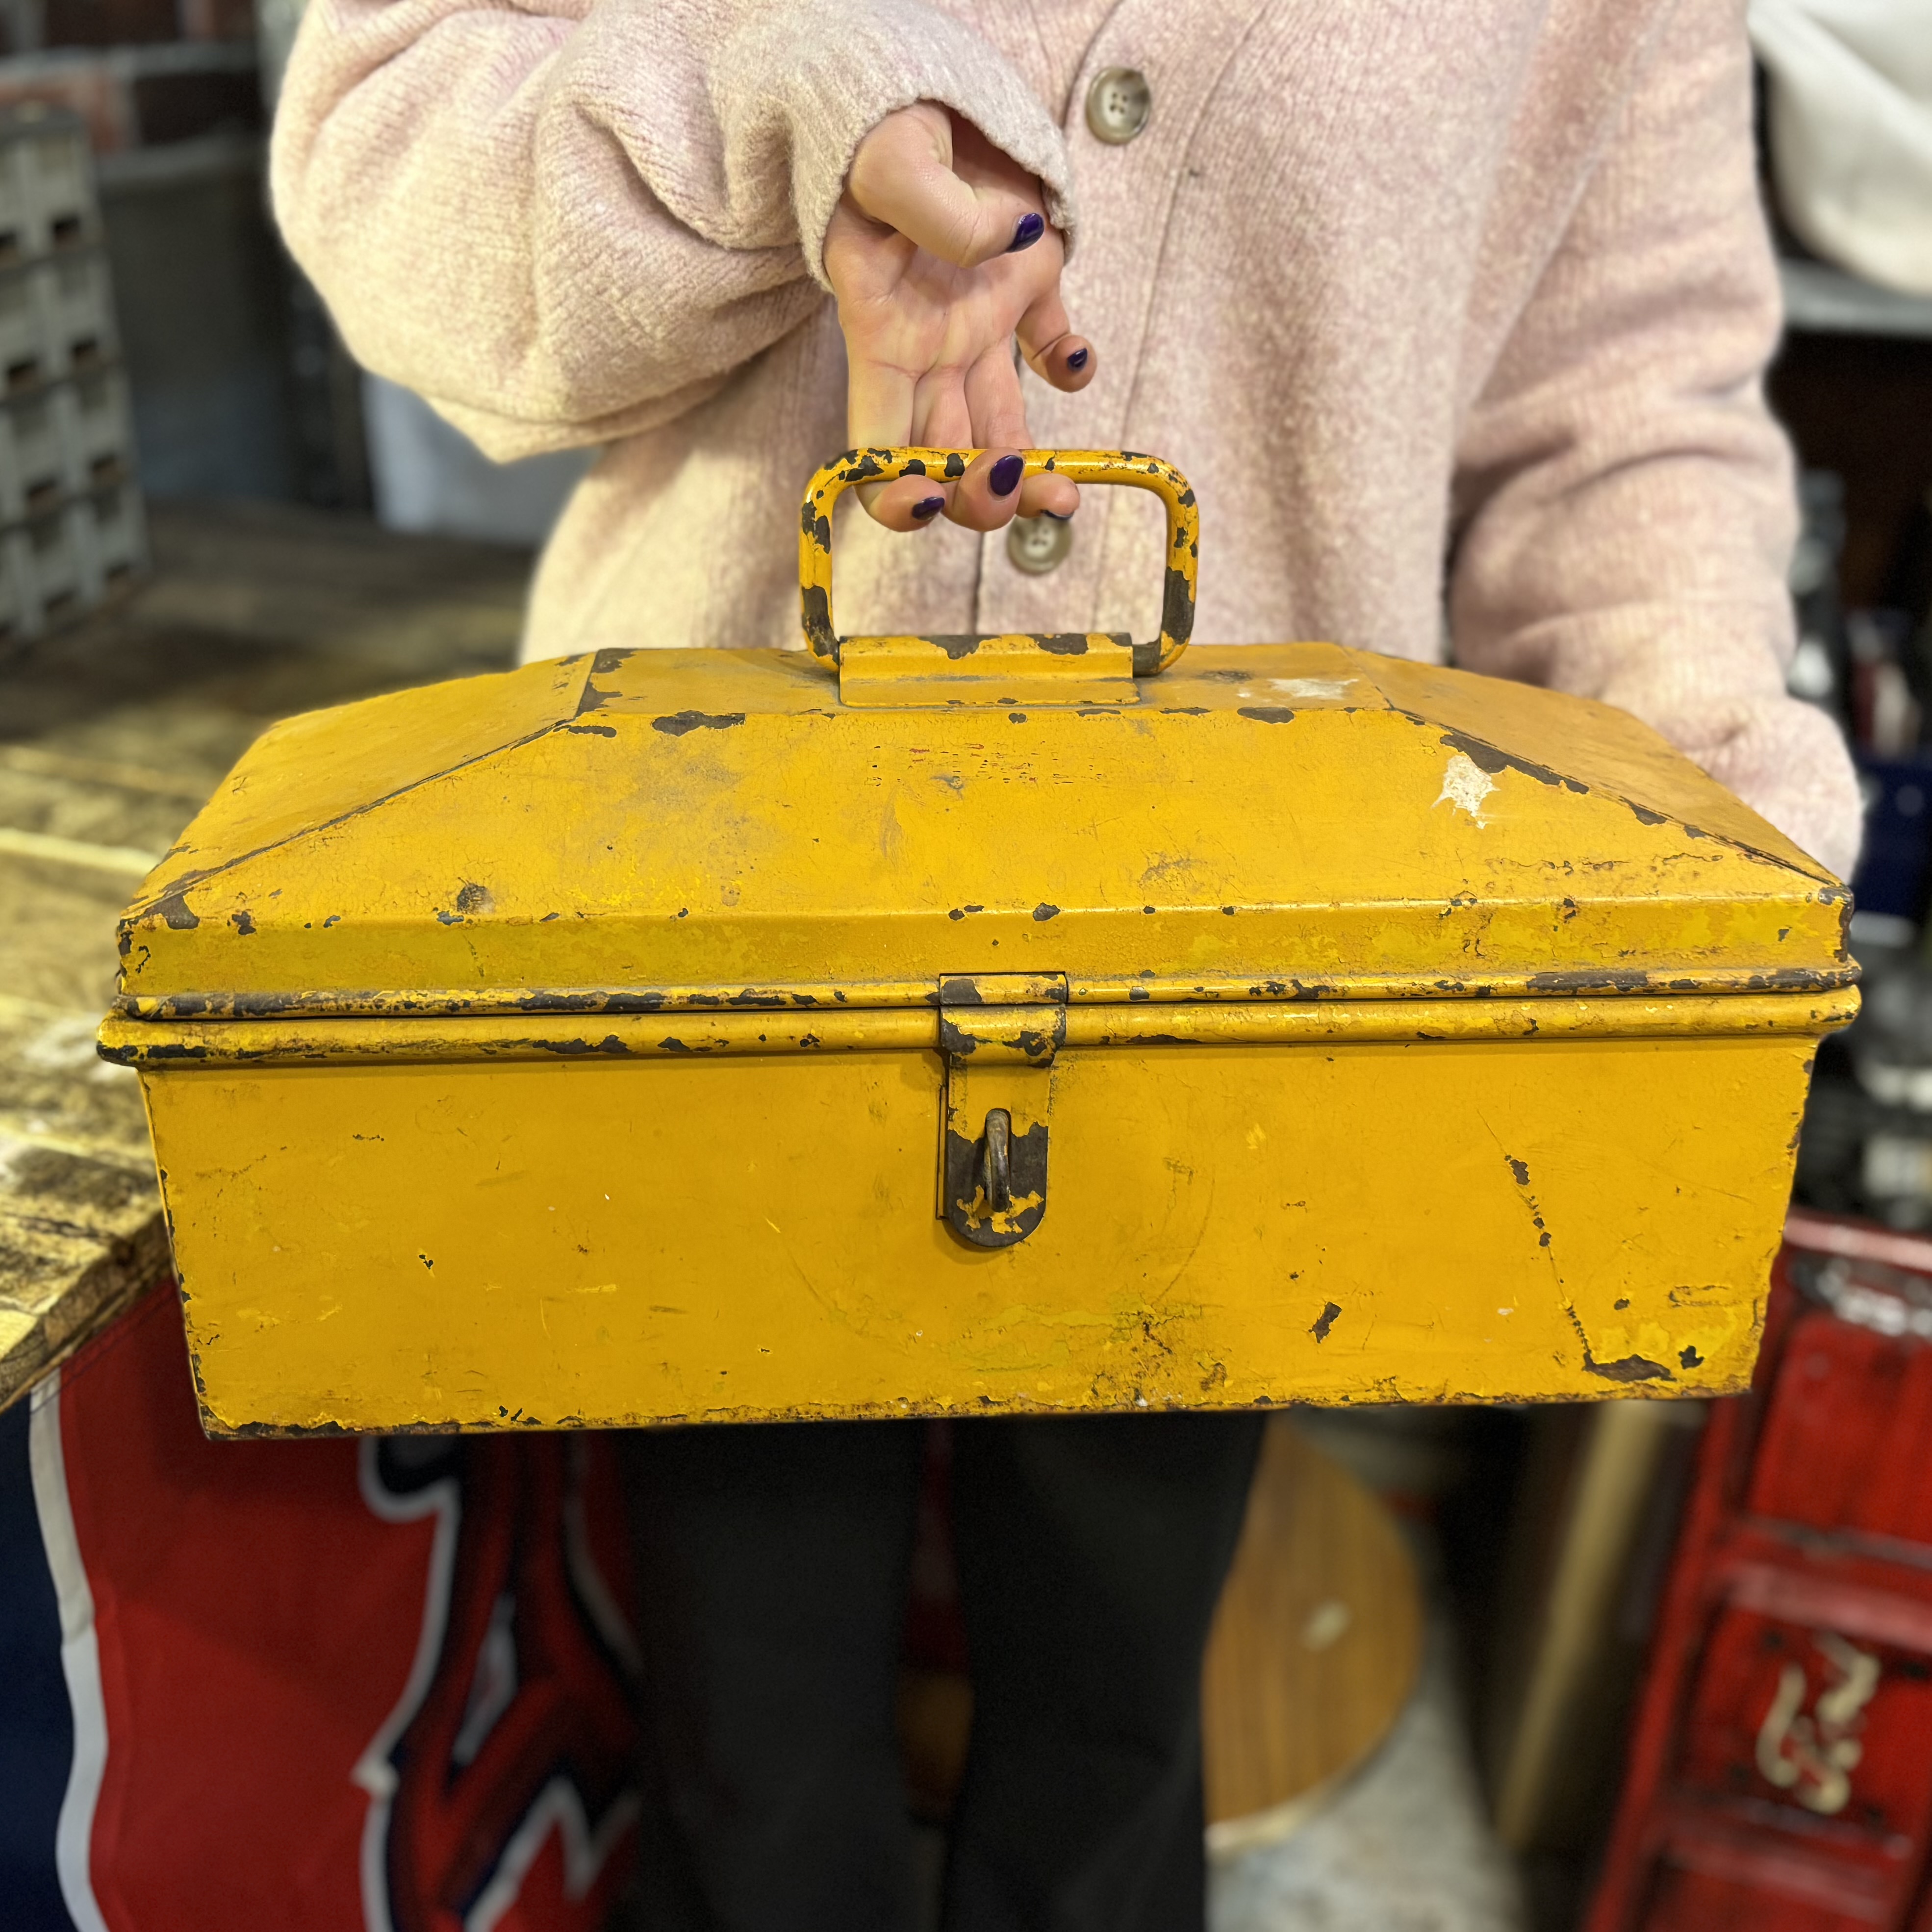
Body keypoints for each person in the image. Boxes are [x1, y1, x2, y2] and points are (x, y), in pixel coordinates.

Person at [270, 3, 1864, 1927]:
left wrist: (1703, 817)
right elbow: (380, 164)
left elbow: (1627, 406)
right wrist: (783, 103)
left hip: (1237, 974)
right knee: (736, 1701)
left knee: (1121, 1689)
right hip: (703, 951)